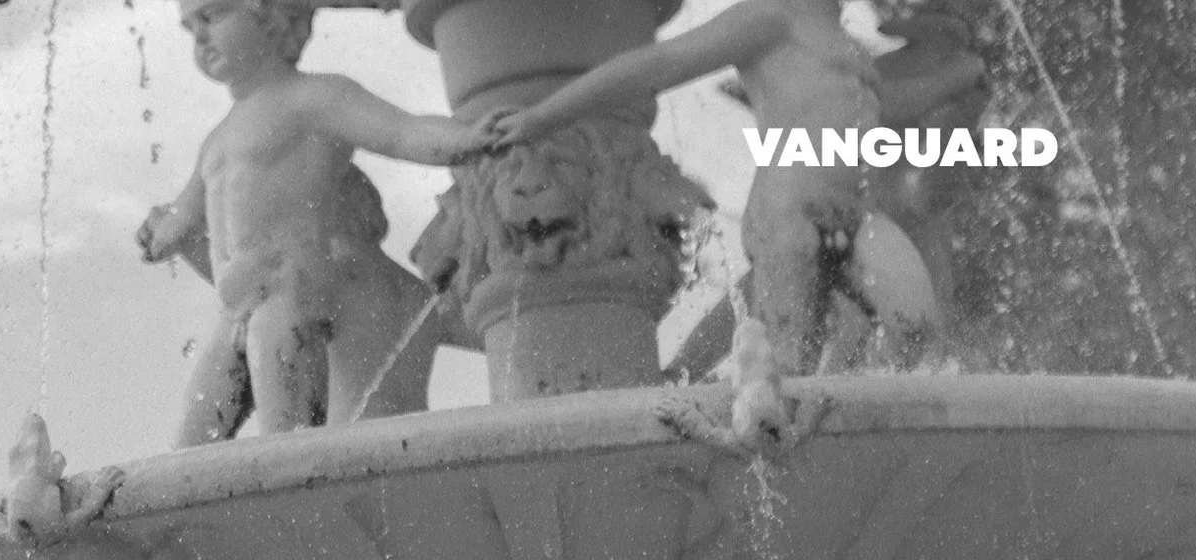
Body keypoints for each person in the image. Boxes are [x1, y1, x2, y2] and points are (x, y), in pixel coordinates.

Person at [485, 0, 983, 373]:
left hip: (855, 216)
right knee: (788, 364)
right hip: (792, 214)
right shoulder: (770, 17)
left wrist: (958, 79)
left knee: (917, 331)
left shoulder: (846, 46)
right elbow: (658, 65)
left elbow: (878, 110)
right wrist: (543, 116)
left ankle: (861, 427)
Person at [140, 0, 488, 443]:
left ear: (273, 17)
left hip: (293, 299)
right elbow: (185, 217)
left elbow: (401, 133)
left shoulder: (313, 99)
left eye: (212, 17)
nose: (200, 39)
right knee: (188, 451)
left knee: (287, 446)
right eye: (191, 29)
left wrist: (467, 140)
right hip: (235, 314)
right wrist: (160, 231)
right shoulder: (216, 140)